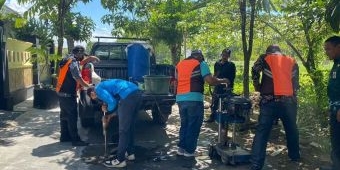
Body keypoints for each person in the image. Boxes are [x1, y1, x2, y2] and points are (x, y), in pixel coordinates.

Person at [250, 44, 300, 170]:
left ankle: (256, 164)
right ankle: (295, 156)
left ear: (268, 52)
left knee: (262, 132)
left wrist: (258, 86)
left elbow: (255, 70)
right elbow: (295, 82)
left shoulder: (265, 58)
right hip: (289, 102)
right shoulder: (291, 61)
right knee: (292, 129)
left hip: (269, 101)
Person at [175, 50, 229, 157]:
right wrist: (223, 80)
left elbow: (176, 81)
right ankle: (189, 151)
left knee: (185, 124)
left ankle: (181, 148)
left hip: (180, 98)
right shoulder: (200, 63)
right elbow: (210, 80)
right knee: (193, 124)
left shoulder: (179, 64)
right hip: (194, 99)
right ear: (200, 56)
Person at [87, 79, 142, 168]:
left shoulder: (98, 88)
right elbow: (120, 107)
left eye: (93, 98)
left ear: (92, 94)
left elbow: (112, 102)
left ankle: (120, 160)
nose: (97, 99)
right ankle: (130, 153)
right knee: (130, 126)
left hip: (127, 96)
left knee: (123, 130)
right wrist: (110, 115)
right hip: (137, 92)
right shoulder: (107, 87)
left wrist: (107, 110)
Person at [56, 45, 98, 146]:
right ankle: (75, 140)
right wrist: (89, 86)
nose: (82, 58)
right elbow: (78, 78)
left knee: (64, 116)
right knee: (72, 117)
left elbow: (80, 64)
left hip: (61, 92)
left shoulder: (66, 59)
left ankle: (64, 136)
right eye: (82, 55)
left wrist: (90, 58)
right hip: (68, 94)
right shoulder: (73, 62)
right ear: (78, 53)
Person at [323, 36, 340, 170]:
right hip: (334, 109)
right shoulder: (336, 63)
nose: (326, 52)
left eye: (328, 49)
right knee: (335, 139)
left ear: (338, 47)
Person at [205, 48, 236, 123]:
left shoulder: (231, 65)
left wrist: (229, 85)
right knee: (214, 102)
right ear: (221, 54)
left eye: (226, 55)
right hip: (217, 85)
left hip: (227, 87)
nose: (224, 56)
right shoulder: (217, 64)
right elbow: (215, 74)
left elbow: (232, 77)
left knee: (226, 103)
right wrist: (213, 80)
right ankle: (212, 117)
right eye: (223, 54)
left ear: (229, 56)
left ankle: (225, 120)